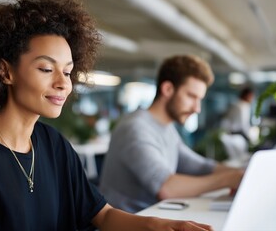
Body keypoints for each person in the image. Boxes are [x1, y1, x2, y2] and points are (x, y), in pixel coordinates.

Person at [0, 0, 212, 230]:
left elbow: (101, 215)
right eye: (46, 69)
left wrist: (157, 224)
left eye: (67, 72)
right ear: (5, 71)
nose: (62, 83)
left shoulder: (54, 144)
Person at [99, 55, 244, 213]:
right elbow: (166, 188)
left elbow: (200, 166)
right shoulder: (135, 128)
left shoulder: (166, 127)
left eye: (199, 99)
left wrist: (244, 174)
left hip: (152, 219)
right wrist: (229, 179)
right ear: (167, 89)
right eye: (191, 96)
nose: (197, 108)